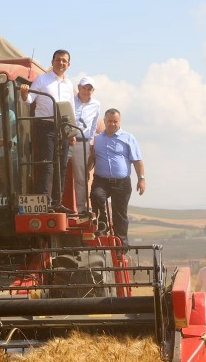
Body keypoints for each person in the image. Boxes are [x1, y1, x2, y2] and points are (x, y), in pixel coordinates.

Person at [19, 49, 75, 213]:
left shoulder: (69, 84)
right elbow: (30, 99)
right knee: (47, 165)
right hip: (45, 126)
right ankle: (45, 203)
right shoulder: (42, 79)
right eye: (58, 60)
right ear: (52, 62)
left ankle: (58, 202)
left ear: (68, 64)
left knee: (62, 165)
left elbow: (70, 107)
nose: (61, 63)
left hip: (63, 128)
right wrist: (24, 94)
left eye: (64, 61)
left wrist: (71, 132)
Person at [89, 108, 145, 248]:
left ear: (119, 122)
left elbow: (137, 160)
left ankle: (121, 246)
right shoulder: (98, 139)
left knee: (120, 215)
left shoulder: (128, 138)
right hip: (101, 180)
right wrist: (85, 170)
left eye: (115, 121)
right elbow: (92, 158)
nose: (112, 124)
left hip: (122, 182)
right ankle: (102, 229)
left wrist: (141, 179)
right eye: (109, 121)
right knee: (96, 196)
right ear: (105, 121)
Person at [68, 76, 101, 213]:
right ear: (79, 87)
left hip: (83, 143)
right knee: (58, 174)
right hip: (66, 140)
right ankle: (54, 204)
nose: (86, 91)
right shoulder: (69, 100)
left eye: (89, 89)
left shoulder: (96, 105)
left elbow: (93, 127)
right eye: (84, 88)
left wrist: (90, 143)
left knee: (81, 178)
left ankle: (81, 209)